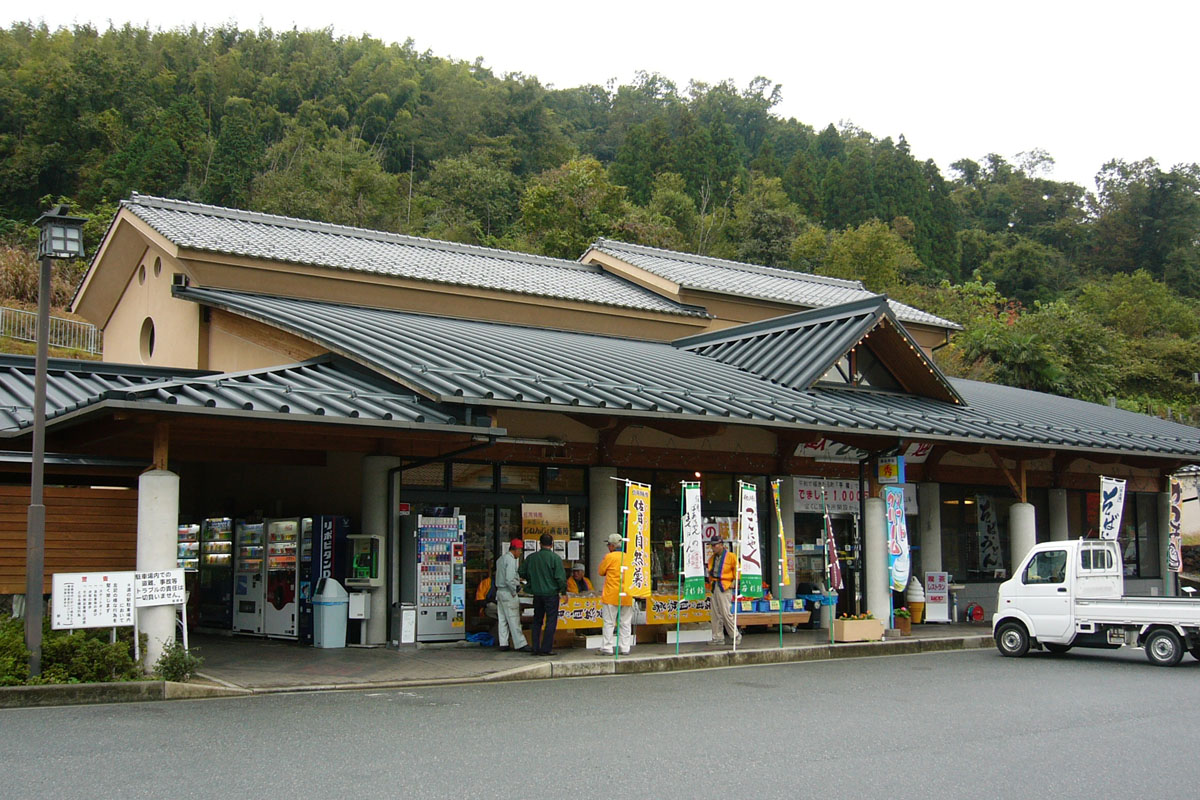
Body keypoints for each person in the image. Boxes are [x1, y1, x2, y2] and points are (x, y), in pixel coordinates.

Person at [519, 532, 566, 655]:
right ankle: (546, 648)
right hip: (551, 594)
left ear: (540, 544)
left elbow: (521, 572)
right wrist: (564, 591)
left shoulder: (531, 558)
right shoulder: (555, 558)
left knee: (537, 620)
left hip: (537, 594)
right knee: (550, 621)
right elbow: (560, 578)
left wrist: (531, 580)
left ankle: (535, 647)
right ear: (552, 544)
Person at [598, 533, 635, 655]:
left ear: (613, 546)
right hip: (627, 594)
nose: (608, 547)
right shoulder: (629, 557)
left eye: (608, 544)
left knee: (609, 622)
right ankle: (625, 648)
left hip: (611, 594)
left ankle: (607, 647)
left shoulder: (609, 557)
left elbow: (601, 571)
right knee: (625, 623)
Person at [495, 539, 531, 653]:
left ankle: (503, 643)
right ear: (516, 549)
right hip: (508, 592)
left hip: (499, 592)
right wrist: (516, 589)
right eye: (520, 551)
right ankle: (520, 644)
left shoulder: (501, 559)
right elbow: (509, 579)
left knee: (502, 620)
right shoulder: (510, 560)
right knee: (514, 619)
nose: (520, 553)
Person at [706, 536, 740, 646]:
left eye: (715, 545)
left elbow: (737, 570)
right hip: (715, 585)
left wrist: (734, 583)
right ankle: (717, 637)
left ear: (721, 545)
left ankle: (735, 635)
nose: (713, 547)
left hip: (725, 586)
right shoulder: (712, 558)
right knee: (715, 614)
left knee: (725, 613)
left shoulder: (731, 557)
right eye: (712, 545)